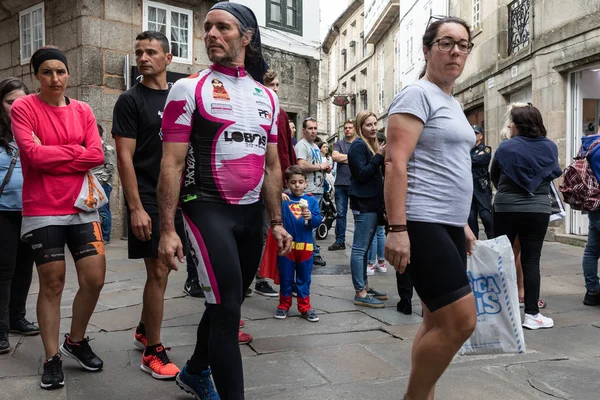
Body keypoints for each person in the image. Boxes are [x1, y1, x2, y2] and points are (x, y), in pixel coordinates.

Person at [156, 3, 292, 398]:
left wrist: (277, 221)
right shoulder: (188, 88)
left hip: (250, 214)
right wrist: (167, 228)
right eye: (207, 27)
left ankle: (196, 369)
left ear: (246, 38)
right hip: (205, 208)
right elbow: (171, 163)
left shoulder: (267, 97)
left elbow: (271, 168)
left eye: (223, 28)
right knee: (227, 308)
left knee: (226, 302)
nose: (211, 34)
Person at [384, 17, 478, 399]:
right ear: (426, 50)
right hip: (421, 221)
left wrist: (464, 224)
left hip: (449, 223)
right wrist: (397, 228)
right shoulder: (416, 94)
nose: (455, 51)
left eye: (462, 44)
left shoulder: (450, 101)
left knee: (435, 319)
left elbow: (447, 164)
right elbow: (395, 163)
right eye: (445, 43)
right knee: (460, 322)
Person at [12, 46, 106, 390]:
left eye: (61, 71)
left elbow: (96, 154)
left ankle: (76, 340)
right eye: (47, 72)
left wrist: (56, 154)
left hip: (83, 207)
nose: (55, 78)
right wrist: (76, 152)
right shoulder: (24, 107)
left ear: (68, 74)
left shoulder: (82, 110)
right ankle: (52, 358)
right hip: (43, 208)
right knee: (52, 283)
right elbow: (33, 157)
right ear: (37, 75)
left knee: (94, 279)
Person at [112, 31, 186, 379]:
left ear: (168, 58)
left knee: (165, 270)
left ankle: (145, 328)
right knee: (158, 271)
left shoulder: (180, 96)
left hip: (177, 198)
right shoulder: (130, 100)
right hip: (146, 197)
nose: (143, 58)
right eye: (139, 51)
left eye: (151, 52)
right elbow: (124, 159)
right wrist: (135, 208)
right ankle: (151, 352)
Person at [491, 103, 562, 330]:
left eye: (512, 121)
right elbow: (550, 174)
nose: (509, 125)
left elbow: (494, 175)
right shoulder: (550, 147)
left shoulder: (506, 148)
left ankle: (498, 313)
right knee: (531, 261)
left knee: (501, 257)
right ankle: (532, 314)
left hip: (506, 208)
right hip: (537, 209)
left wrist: (508, 192)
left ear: (519, 125)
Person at [0, 78, 39, 356]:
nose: (16, 107)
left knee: (26, 267)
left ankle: (17, 318)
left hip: (32, 208)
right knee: (4, 270)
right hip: (3, 210)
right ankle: (0, 329)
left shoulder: (34, 129)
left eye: (20, 102)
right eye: (9, 102)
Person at [252, 68, 298, 298]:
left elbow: (284, 149)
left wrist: (286, 180)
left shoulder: (279, 114)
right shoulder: (260, 111)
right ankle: (257, 277)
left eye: (278, 86)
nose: (276, 89)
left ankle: (260, 276)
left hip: (274, 181)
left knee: (267, 230)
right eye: (272, 86)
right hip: (258, 181)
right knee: (259, 231)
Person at [348, 111, 387, 308]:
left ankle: (365, 286)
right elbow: (362, 174)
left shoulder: (369, 145)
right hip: (363, 203)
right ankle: (360, 292)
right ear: (359, 127)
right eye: (368, 125)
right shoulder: (358, 145)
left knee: (364, 250)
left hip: (371, 203)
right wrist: (379, 156)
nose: (373, 128)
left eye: (375, 124)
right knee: (360, 249)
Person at [275, 165, 322, 322]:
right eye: (293, 182)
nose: (297, 185)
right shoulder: (283, 200)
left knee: (304, 279)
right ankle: (283, 305)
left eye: (300, 182)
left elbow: (317, 221)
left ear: (306, 183)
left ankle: (305, 307)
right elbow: (266, 207)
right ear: (287, 183)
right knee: (286, 278)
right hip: (286, 248)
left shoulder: (311, 201)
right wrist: (277, 196)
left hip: (306, 247)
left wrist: (309, 217)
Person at [295, 118, 330, 267]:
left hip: (318, 189)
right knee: (310, 223)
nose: (314, 131)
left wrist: (325, 168)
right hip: (308, 191)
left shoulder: (315, 146)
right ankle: (313, 253)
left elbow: (317, 165)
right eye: (310, 128)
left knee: (314, 222)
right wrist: (320, 167)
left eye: (315, 128)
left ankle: (311, 251)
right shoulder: (301, 145)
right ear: (303, 130)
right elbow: (301, 165)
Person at [329, 119, 357, 251]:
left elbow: (361, 160)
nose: (347, 130)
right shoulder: (339, 143)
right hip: (340, 184)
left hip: (356, 183)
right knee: (341, 214)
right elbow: (335, 157)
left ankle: (358, 242)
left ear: (355, 129)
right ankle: (340, 241)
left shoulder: (358, 143)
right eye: (345, 127)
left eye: (350, 127)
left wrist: (344, 158)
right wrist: (353, 159)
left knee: (358, 214)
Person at [467, 124, 493, 239]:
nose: (473, 135)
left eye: (476, 133)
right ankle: (474, 247)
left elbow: (479, 160)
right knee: (471, 218)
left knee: (486, 216)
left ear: (481, 136)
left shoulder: (486, 149)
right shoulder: (466, 149)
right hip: (469, 187)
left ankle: (493, 242)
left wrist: (466, 159)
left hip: (481, 187)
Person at [92, 124, 116, 244]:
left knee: (103, 210)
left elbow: (110, 167)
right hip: (91, 183)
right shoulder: (91, 147)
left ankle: (105, 237)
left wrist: (100, 181)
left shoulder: (107, 148)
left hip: (103, 184)